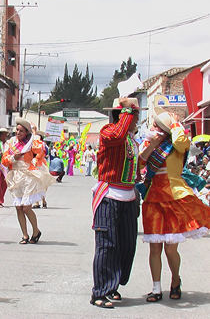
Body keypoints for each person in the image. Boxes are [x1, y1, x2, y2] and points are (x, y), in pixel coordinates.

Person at [138, 107, 210, 303]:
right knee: (154, 248)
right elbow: (140, 163)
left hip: (173, 197)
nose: (153, 127)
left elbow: (181, 141)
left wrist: (175, 124)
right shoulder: (150, 143)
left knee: (170, 249)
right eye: (154, 124)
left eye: (157, 125)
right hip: (154, 198)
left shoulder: (176, 144)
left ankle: (176, 281)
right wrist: (152, 144)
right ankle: (155, 288)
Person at [90, 97, 142, 308]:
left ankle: (112, 286)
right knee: (107, 244)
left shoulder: (131, 138)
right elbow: (117, 136)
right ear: (124, 115)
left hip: (128, 196)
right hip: (109, 195)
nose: (138, 118)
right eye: (135, 114)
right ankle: (99, 292)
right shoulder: (109, 131)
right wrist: (126, 112)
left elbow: (134, 163)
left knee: (127, 244)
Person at [2, 118, 55, 244]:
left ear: (26, 133)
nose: (18, 133)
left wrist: (35, 136)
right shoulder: (11, 143)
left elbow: (41, 152)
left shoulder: (31, 142)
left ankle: (36, 231)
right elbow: (4, 159)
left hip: (27, 175)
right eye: (17, 130)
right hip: (15, 176)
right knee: (18, 208)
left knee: (26, 207)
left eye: (21, 131)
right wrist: (12, 157)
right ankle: (25, 235)